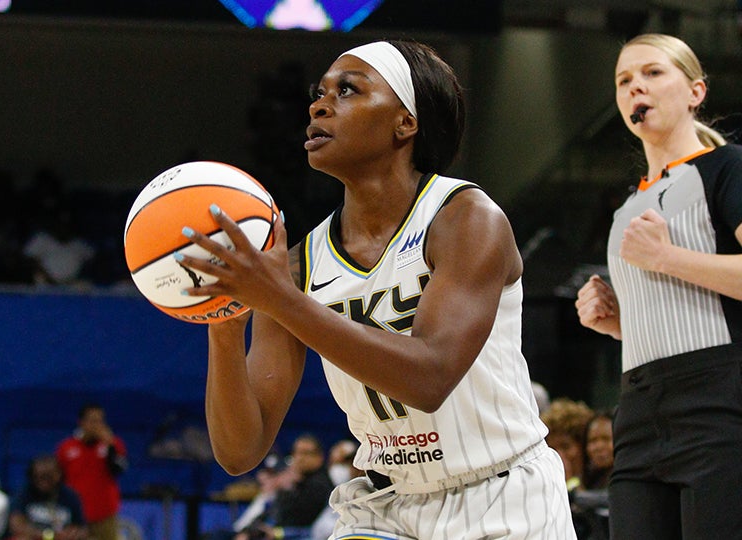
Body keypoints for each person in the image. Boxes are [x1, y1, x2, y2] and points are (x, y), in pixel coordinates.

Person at [178, 39, 575, 538]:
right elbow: (240, 451)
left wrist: (279, 298)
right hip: (385, 504)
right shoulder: (298, 263)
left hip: (501, 498)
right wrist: (224, 327)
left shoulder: (466, 219)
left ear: (405, 122)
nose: (319, 104)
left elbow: (429, 378)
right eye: (318, 93)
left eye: (347, 90)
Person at [575, 33, 742, 538]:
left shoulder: (728, 167)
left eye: (652, 73)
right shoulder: (625, 207)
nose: (635, 88)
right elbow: (685, 313)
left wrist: (667, 258)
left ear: (696, 92)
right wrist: (616, 324)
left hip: (721, 405)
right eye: (624, 80)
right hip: (639, 410)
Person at [56, 404, 127, 540]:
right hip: (75, 515)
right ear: (81, 422)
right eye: (92, 421)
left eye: (100, 421)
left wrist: (110, 447)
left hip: (105, 514)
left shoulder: (113, 444)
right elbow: (59, 480)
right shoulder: (66, 447)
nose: (97, 426)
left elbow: (119, 470)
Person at [8, 455, 86, 540]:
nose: (43, 482)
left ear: (59, 475)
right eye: (39, 477)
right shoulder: (24, 494)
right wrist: (50, 536)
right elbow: (17, 526)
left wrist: (74, 533)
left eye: (48, 477)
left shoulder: (70, 496)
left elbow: (83, 528)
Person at [540, 398, 594, 493]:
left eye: (565, 447)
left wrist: (570, 483)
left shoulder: (603, 478)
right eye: (552, 448)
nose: (559, 455)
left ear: (583, 445)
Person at [581, 411, 614, 491]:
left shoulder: (630, 478)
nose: (599, 447)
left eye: (606, 439)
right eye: (593, 440)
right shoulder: (584, 480)